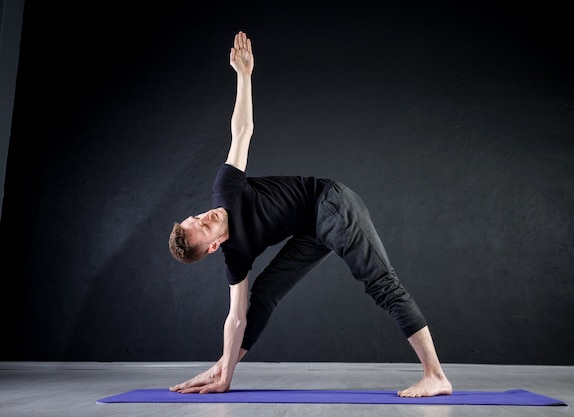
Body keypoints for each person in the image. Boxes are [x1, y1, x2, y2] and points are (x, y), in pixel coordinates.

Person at [168, 31, 453, 398]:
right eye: (203, 226)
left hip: (330, 203)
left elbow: (242, 130)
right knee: (265, 292)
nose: (206, 215)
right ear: (211, 248)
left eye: (197, 216)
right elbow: (235, 317)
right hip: (312, 230)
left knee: (381, 284)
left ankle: (436, 375)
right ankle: (222, 373)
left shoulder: (227, 189)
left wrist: (244, 75)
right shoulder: (235, 256)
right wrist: (225, 369)